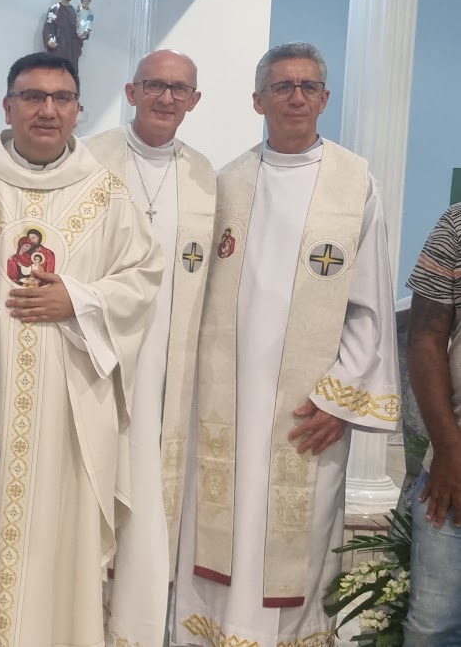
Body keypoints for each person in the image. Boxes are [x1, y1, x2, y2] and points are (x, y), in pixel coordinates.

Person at [0, 52, 162, 647]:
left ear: (78, 111)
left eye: (62, 98)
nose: (47, 110)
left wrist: (79, 300)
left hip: (68, 408)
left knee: (60, 544)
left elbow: (143, 280)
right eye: (33, 97)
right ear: (7, 106)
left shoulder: (107, 195)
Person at [173, 42, 400, 647]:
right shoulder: (226, 183)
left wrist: (339, 398)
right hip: (224, 401)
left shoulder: (355, 184)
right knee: (219, 528)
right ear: (258, 101)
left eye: (307, 87)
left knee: (295, 542)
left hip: (308, 407)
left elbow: (370, 305)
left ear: (324, 99)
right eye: (282, 87)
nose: (295, 97)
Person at [81, 49, 216, 647]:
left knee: (151, 490)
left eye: (179, 89)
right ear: (131, 92)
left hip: (168, 362)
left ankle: (135, 628)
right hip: (98, 349)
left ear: (195, 101)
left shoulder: (206, 177)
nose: (166, 98)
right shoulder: (88, 157)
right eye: (155, 85)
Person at [405, 205, 461, 644]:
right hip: (456, 465)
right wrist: (449, 449)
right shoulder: (457, 226)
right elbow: (426, 335)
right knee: (433, 630)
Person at [43, 0, 88, 68]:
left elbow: (78, 28)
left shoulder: (74, 11)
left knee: (70, 71)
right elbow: (48, 24)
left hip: (71, 48)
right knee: (56, 70)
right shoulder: (55, 8)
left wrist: (84, 33)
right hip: (58, 46)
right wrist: (49, 38)